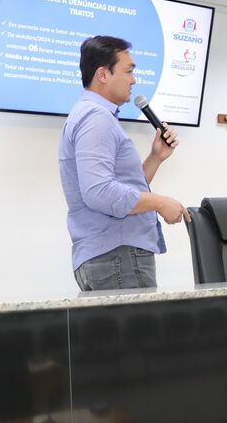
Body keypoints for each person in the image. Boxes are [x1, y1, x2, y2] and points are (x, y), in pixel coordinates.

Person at [59, 35, 190, 291]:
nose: (134, 79)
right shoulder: (96, 118)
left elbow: (118, 187)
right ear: (103, 75)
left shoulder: (91, 115)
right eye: (128, 71)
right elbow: (99, 193)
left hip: (111, 257)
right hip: (118, 257)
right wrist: (160, 202)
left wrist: (155, 158)